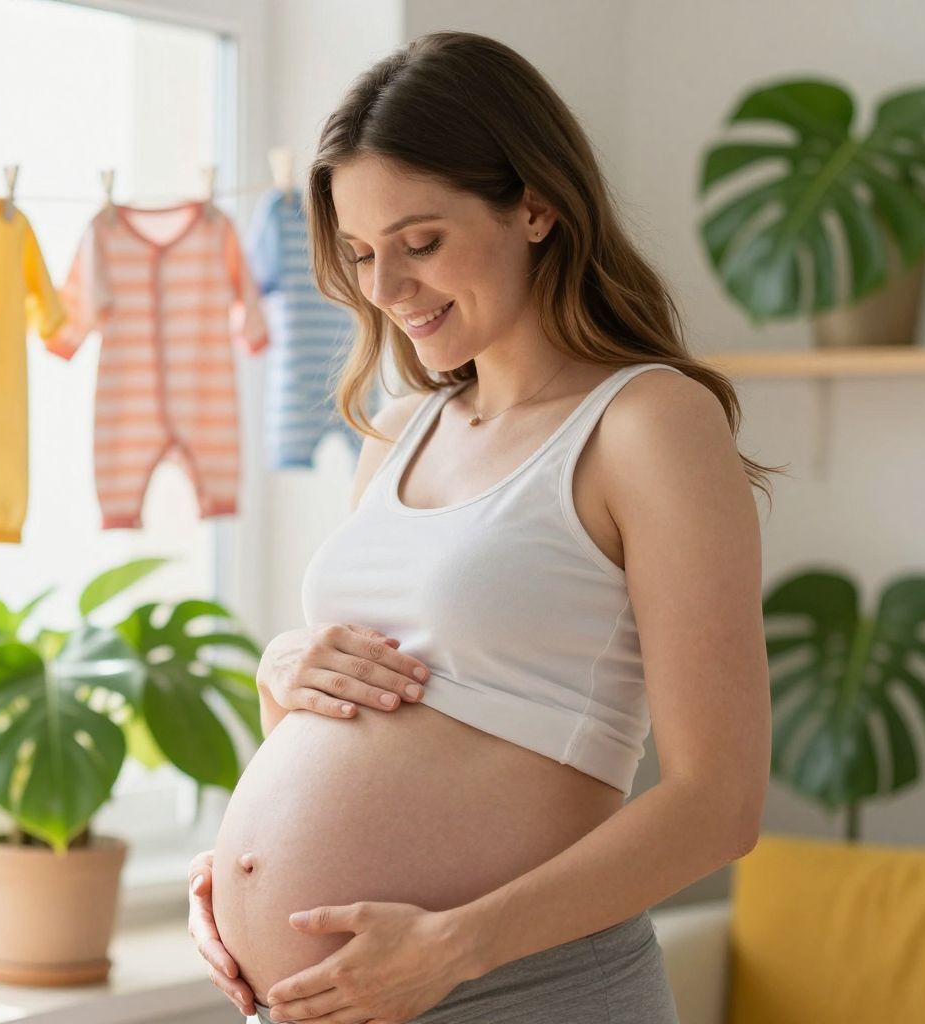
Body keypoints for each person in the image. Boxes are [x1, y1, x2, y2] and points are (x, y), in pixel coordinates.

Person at [187, 31, 780, 1024]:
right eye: (362, 254)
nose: (385, 289)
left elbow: (719, 805)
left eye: (420, 242)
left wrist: (450, 947)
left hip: (515, 988)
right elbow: (397, 719)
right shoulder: (401, 430)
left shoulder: (647, 424)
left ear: (536, 206)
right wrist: (278, 693)